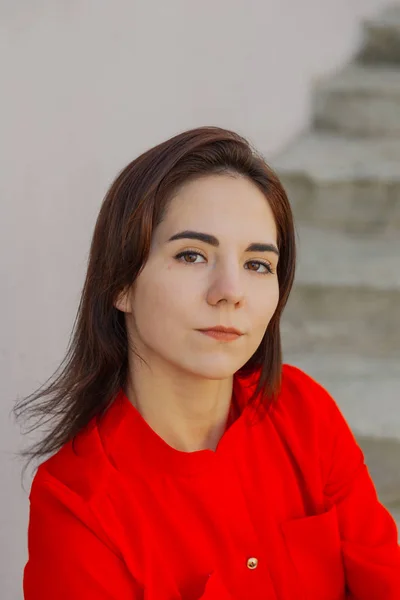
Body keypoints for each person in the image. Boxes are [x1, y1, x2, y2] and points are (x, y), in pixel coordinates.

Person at [16, 126, 400, 599]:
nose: (230, 293)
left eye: (257, 264)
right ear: (121, 283)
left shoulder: (304, 411)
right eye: (193, 255)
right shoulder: (76, 504)